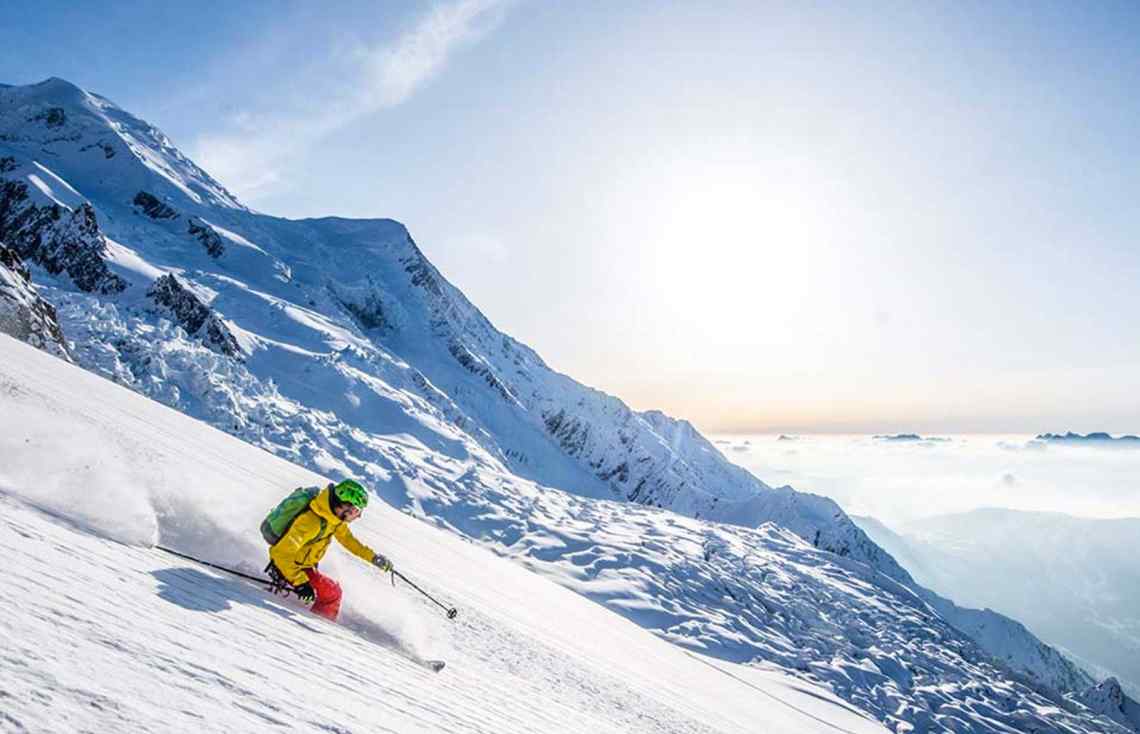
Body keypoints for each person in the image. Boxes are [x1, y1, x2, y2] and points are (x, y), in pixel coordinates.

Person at [265, 479, 393, 621]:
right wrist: (300, 582)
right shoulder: (311, 522)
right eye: (356, 510)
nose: (358, 516)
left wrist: (373, 557)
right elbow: (281, 553)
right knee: (332, 593)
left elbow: (348, 540)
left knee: (331, 590)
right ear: (345, 506)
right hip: (291, 567)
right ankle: (319, 624)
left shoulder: (333, 518)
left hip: (303, 565)